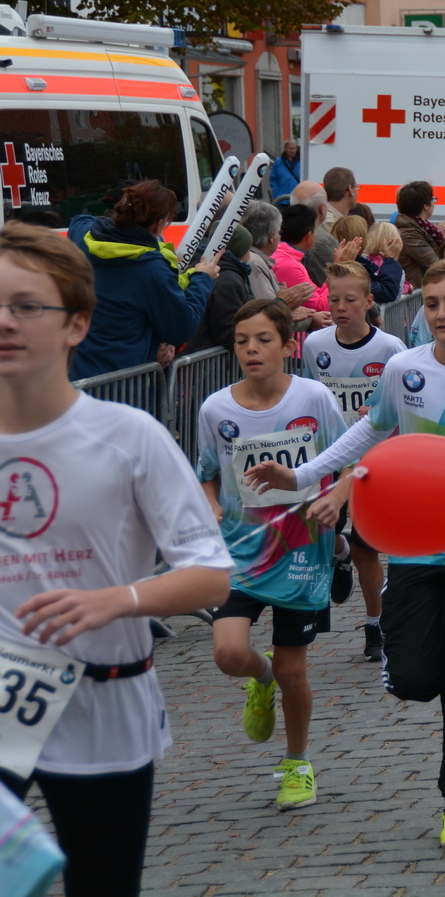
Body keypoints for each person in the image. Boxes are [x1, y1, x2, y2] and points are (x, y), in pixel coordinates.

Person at [246, 258, 445, 849]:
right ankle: (440, 673)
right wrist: (303, 474)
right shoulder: (404, 369)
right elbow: (373, 431)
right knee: (411, 679)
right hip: (414, 546)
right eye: (431, 303)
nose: (441, 313)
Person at [0, 223, 232, 896]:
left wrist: (115, 599)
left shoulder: (128, 436)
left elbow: (211, 573)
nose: (4, 322)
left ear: (77, 325)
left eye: (25, 306)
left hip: (103, 694)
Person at [197, 299, 344, 811]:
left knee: (294, 671)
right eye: (242, 341)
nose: (251, 350)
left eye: (263, 340)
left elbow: (347, 459)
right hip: (241, 552)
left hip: (303, 549)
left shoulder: (314, 397)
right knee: (228, 653)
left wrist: (334, 497)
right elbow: (207, 473)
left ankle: (298, 762)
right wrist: (212, 506)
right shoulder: (215, 409)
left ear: (288, 345)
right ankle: (258, 680)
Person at [299, 260, 407, 660]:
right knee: (315, 532)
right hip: (327, 457)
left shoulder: (390, 349)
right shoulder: (315, 346)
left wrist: (375, 410)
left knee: (368, 551)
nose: (340, 306)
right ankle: (337, 554)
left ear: (368, 301)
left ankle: (375, 624)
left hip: (371, 460)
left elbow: (401, 405)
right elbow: (312, 398)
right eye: (333, 298)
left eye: (350, 299)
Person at [68, 179, 220, 377]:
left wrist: (113, 223)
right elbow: (181, 327)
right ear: (158, 224)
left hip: (77, 375)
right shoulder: (152, 269)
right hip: (124, 385)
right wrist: (202, 278)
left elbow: (78, 221)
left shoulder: (84, 238)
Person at [184, 226, 257, 354]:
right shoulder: (229, 281)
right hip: (203, 362)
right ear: (241, 252)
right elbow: (227, 331)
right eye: (248, 249)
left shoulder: (201, 265)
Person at [394, 180, 445, 290]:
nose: (434, 203)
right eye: (433, 199)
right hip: (418, 296)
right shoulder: (409, 233)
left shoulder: (422, 227)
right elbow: (435, 265)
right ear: (426, 206)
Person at [270, 139, 301, 205]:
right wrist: (275, 192)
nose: (292, 150)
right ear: (285, 149)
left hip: (297, 198)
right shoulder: (278, 162)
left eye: (294, 148)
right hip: (281, 199)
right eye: (290, 148)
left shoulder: (301, 162)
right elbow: (272, 178)